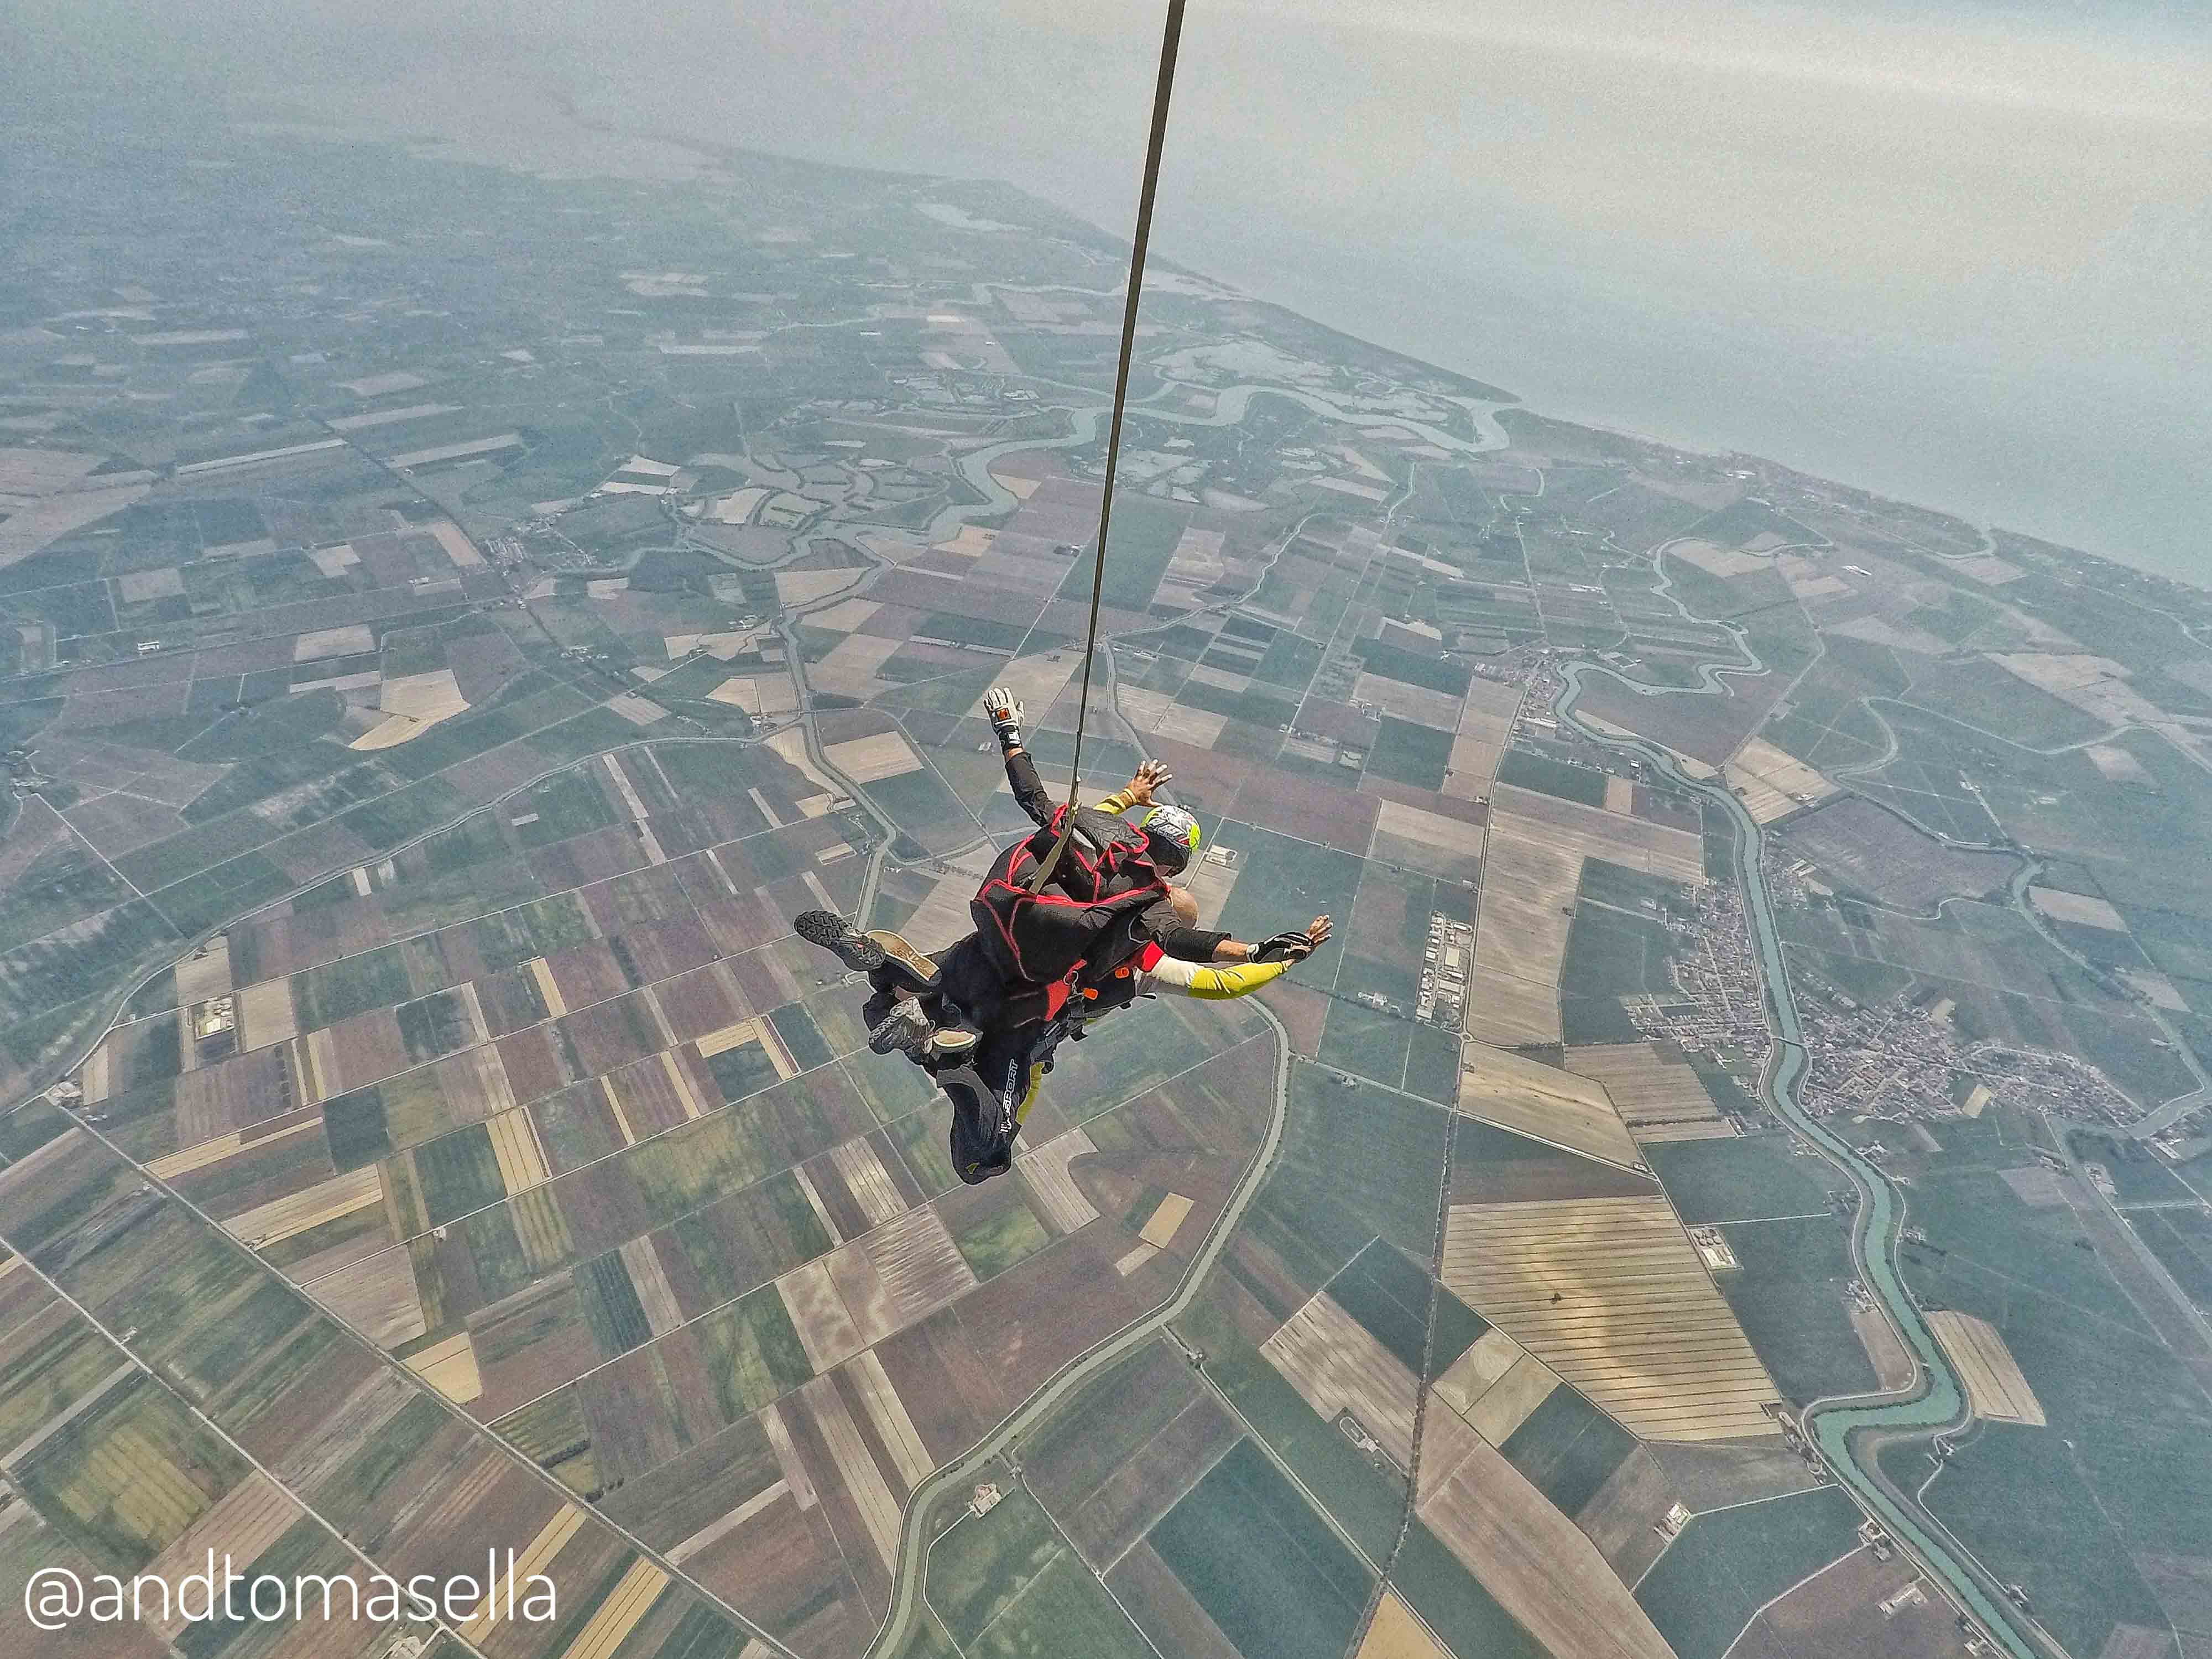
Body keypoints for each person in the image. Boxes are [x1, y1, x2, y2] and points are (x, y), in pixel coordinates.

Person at [796, 686, 1331, 1182]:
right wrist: (1278, 954)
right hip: (1024, 1016)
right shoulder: (1148, 946)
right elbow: (1226, 981)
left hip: (984, 953)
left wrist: (1024, 741)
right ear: (1173, 876)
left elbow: (1047, 806)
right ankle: (941, 1058)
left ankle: (888, 973)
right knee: (986, 1152)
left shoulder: (1101, 842)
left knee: (889, 998)